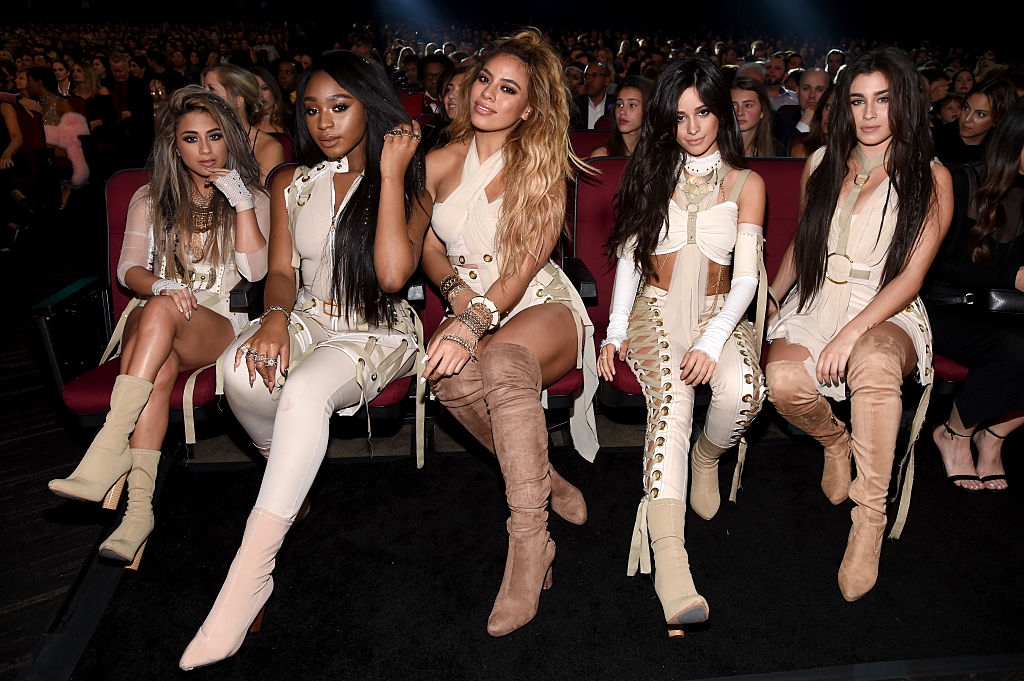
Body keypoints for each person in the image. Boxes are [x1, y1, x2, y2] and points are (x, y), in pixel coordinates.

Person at [179, 50, 429, 670]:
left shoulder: (411, 181)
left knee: (302, 394)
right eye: (312, 109)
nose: (323, 122)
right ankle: (284, 474)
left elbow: (395, 277)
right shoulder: (291, 181)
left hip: (376, 330)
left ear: (369, 107)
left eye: (339, 107)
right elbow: (284, 272)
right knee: (237, 369)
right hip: (308, 315)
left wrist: (392, 174)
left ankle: (249, 576)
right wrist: (273, 319)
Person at [420, 27, 599, 637]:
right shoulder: (438, 161)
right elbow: (425, 251)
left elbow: (522, 273)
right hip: (470, 300)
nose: (488, 95)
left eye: (508, 88)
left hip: (538, 302)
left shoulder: (543, 167)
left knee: (500, 364)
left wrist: (473, 321)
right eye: (483, 81)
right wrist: (457, 296)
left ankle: (529, 544)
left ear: (529, 106)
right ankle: (543, 479)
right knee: (445, 377)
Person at [47, 86, 271, 567]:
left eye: (214, 136)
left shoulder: (251, 196)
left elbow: (255, 273)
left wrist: (243, 204)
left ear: (230, 138)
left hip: (216, 323)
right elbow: (129, 271)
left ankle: (108, 449)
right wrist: (162, 285)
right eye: (191, 139)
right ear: (175, 145)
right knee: (159, 360)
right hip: (156, 316)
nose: (206, 150)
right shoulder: (150, 197)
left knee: (163, 313)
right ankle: (138, 512)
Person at [764, 47, 953, 602]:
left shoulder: (931, 176)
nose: (869, 114)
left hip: (887, 305)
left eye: (884, 100)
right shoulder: (821, 162)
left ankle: (869, 519)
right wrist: (772, 298)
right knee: (784, 383)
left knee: (872, 362)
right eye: (857, 101)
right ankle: (834, 438)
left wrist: (852, 333)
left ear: (906, 105)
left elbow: (913, 276)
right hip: (820, 299)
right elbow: (803, 243)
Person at [599, 53, 767, 637]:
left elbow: (746, 278)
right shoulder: (650, 172)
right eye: (678, 116)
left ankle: (708, 457)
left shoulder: (748, 184)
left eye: (702, 113)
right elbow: (627, 258)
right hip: (654, 309)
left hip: (720, 312)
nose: (691, 128)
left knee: (744, 391)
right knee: (672, 401)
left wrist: (715, 338)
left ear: (722, 112)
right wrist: (616, 328)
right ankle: (672, 566)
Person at [923, 96, 1024, 492]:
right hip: (946, 305)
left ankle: (994, 436)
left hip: (1007, 312)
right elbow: (931, 264)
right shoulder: (959, 180)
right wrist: (1008, 275)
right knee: (1016, 352)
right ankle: (955, 432)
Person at [202, 62, 286, 184]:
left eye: (211, 89)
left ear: (238, 100)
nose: (203, 96)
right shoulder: (203, 142)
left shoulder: (269, 147)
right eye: (203, 88)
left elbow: (266, 199)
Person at [933, 77, 1017, 166]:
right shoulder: (934, 140)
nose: (967, 119)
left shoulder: (1000, 155)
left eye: (980, 114)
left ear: (997, 119)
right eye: (966, 108)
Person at [588, 74, 654, 158]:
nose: (622, 112)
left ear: (648, 109)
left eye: (632, 105)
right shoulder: (601, 157)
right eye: (619, 105)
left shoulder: (660, 157)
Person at [731, 75, 785, 157]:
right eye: (734, 106)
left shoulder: (776, 150)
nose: (739, 112)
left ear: (762, 111)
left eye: (748, 105)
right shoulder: (714, 150)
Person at [790, 80, 835, 158]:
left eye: (838, 110)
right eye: (828, 107)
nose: (829, 115)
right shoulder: (803, 151)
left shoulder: (857, 154)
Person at [571, 61, 615, 130]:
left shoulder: (615, 104)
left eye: (594, 75)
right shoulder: (574, 104)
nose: (589, 80)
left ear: (606, 80)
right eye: (586, 76)